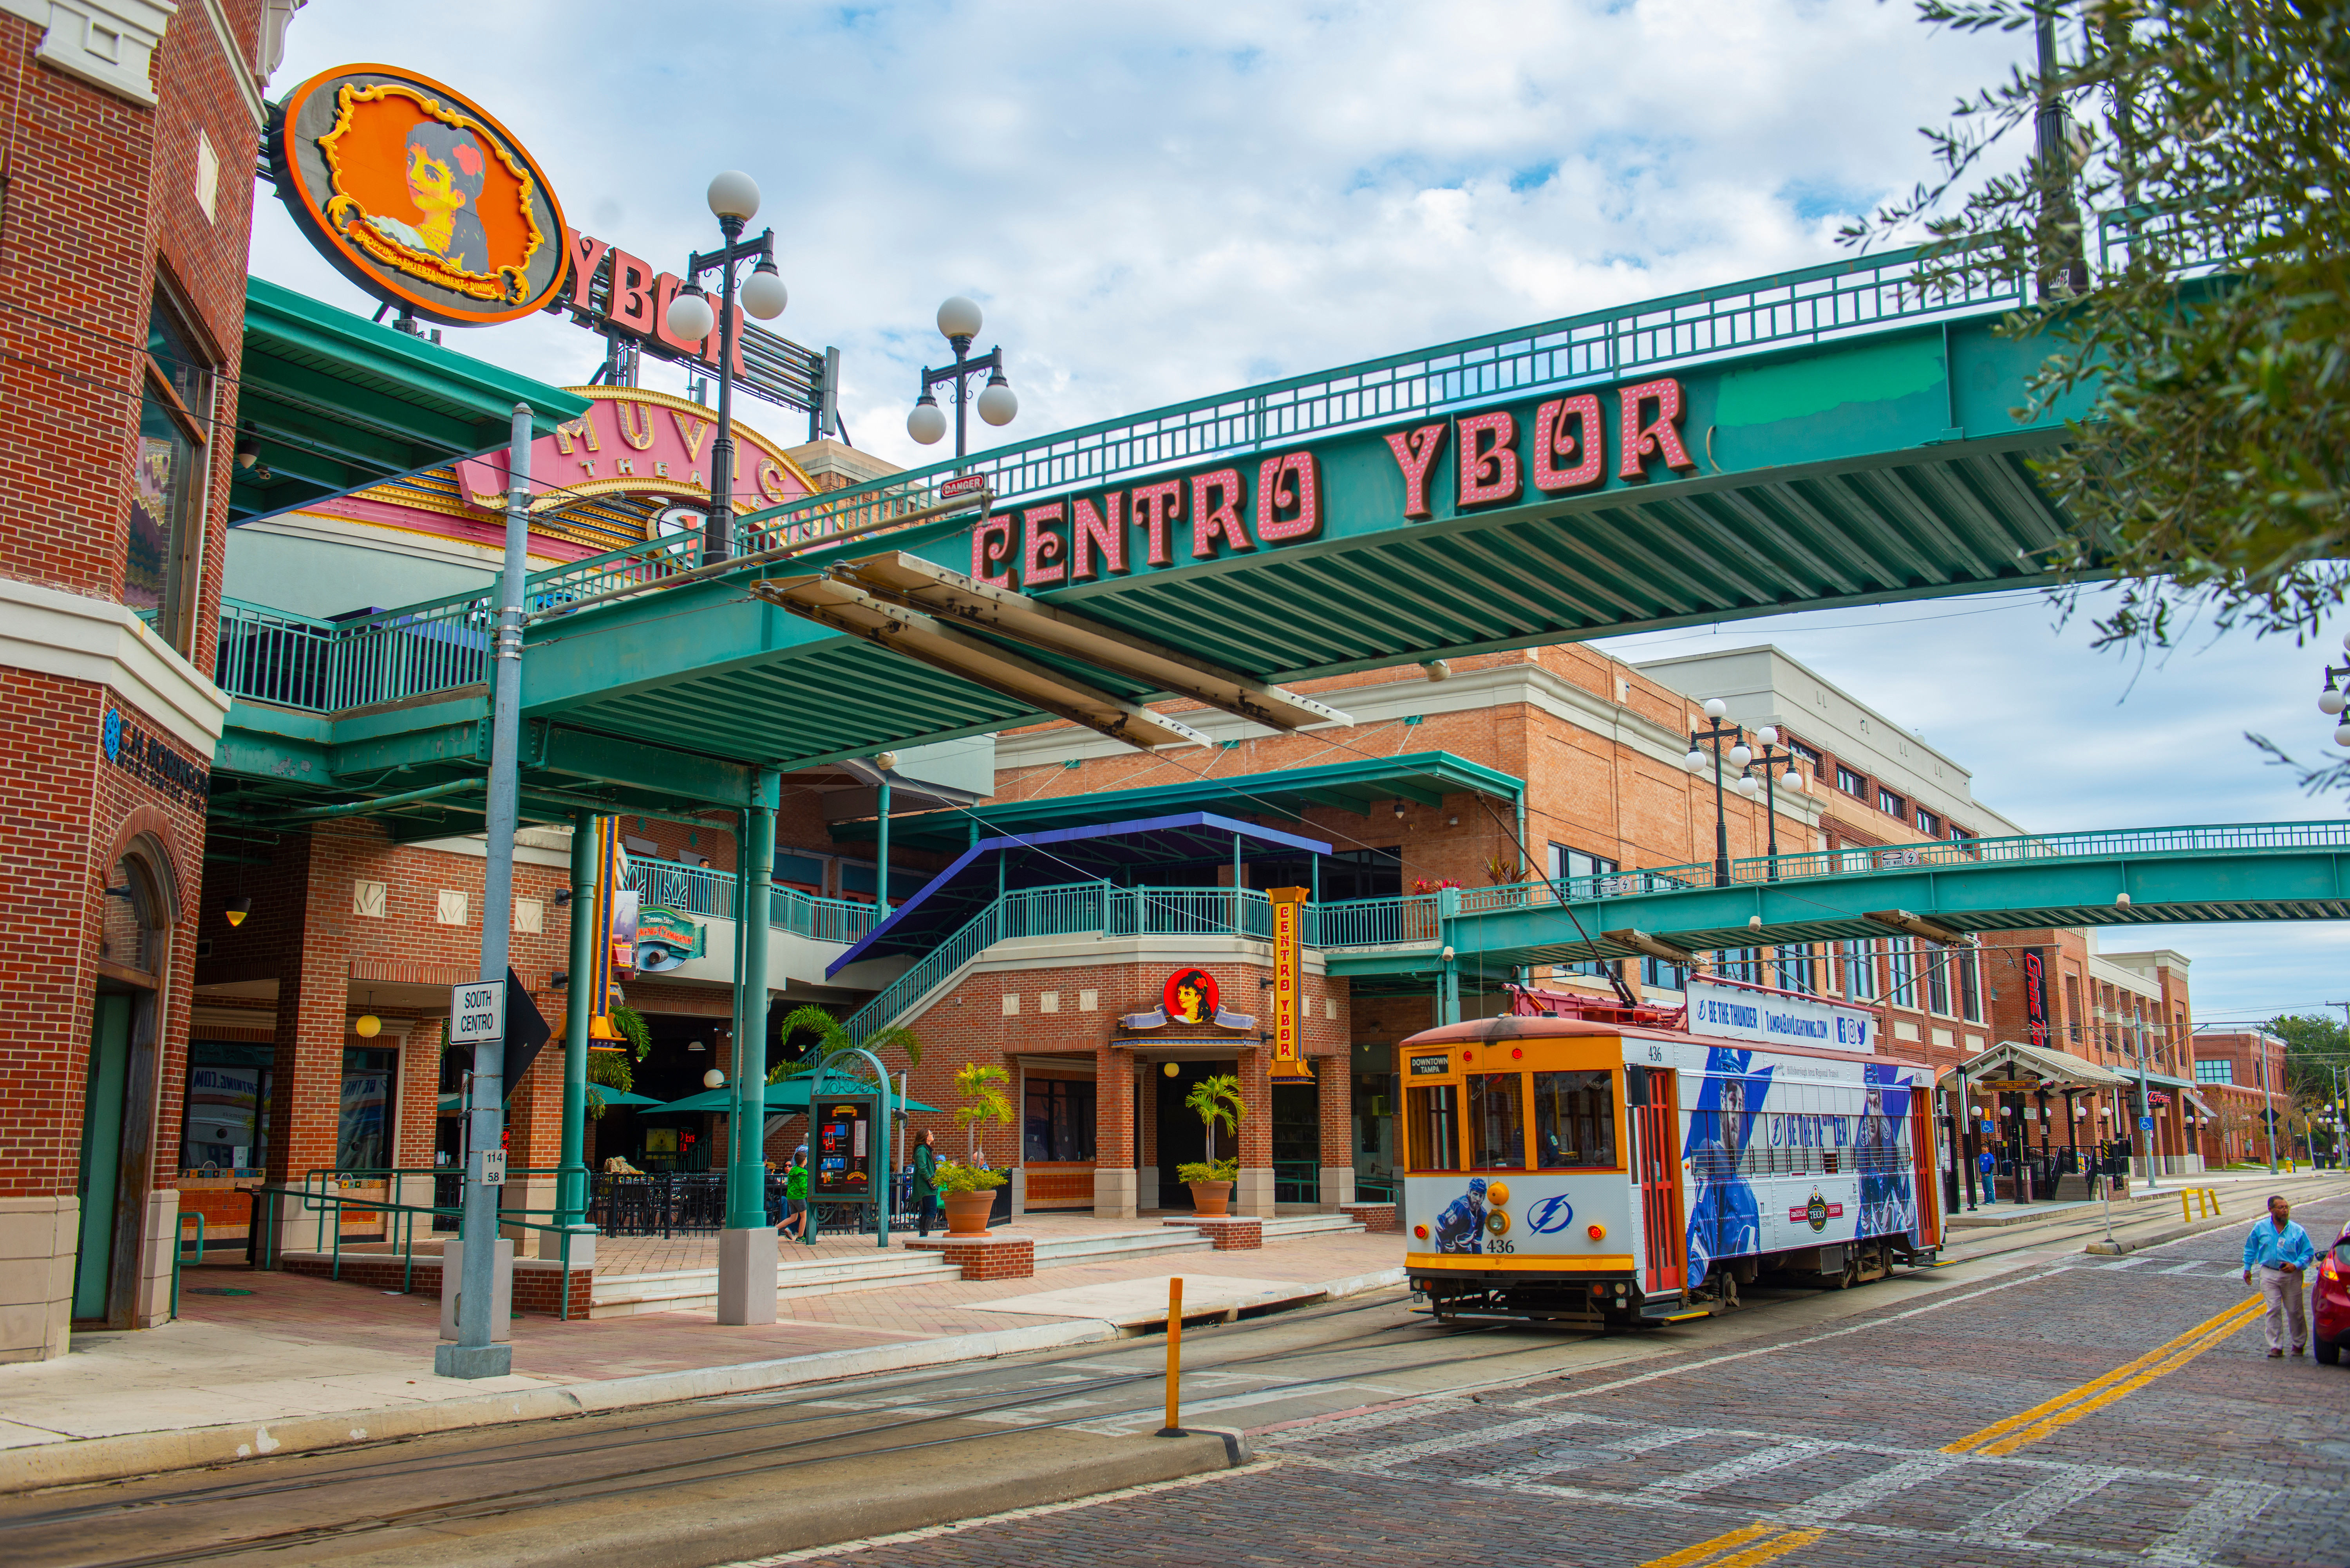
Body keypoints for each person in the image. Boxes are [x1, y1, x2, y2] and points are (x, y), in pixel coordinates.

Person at [2243, 1192, 2317, 1358]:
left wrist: (2296, 1265)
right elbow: (2251, 1248)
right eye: (2281, 1208)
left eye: (2287, 1207)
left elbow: (2308, 1253)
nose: (2285, 1211)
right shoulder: (2260, 1228)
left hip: (2292, 1275)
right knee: (2273, 1309)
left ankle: (2298, 1344)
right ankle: (2276, 1346)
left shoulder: (2297, 1231)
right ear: (2271, 1210)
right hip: (2269, 1273)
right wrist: (2247, 1268)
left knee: (2294, 1310)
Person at [911, 1127, 940, 1237]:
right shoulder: (922, 1150)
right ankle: (924, 1234)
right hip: (926, 1185)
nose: (933, 1135)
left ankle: (923, 1234)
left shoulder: (925, 1149)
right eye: (931, 1134)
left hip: (927, 1184)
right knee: (932, 1210)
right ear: (925, 1137)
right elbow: (922, 1168)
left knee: (927, 1210)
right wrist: (931, 1180)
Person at [781, 1147, 810, 1243]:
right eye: (806, 1159)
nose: (807, 1161)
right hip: (799, 1197)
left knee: (793, 1218)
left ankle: (774, 1229)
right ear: (804, 1161)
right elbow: (803, 1187)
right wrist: (808, 1193)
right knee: (804, 1217)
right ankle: (800, 1237)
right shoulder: (803, 1172)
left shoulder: (793, 1170)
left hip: (790, 1196)